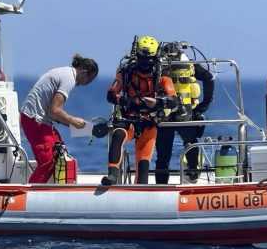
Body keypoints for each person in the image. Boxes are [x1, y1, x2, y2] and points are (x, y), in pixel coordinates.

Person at [102, 35, 176, 186]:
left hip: (149, 122)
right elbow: (111, 95)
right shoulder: (126, 73)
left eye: (148, 59)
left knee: (143, 161)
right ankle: (112, 176)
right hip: (128, 118)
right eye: (142, 58)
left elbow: (174, 100)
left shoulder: (162, 77)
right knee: (117, 135)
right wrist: (125, 101)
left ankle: (141, 188)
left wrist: (157, 102)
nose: (145, 63)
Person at [20, 54, 98, 183]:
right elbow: (55, 110)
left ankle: (55, 188)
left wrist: (86, 128)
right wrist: (73, 120)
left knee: (60, 152)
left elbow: (53, 113)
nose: (86, 84)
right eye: (89, 80)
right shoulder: (70, 79)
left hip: (39, 119)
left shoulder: (65, 72)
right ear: (84, 72)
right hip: (34, 120)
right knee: (48, 162)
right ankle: (33, 193)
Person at [155, 43, 214, 184]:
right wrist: (204, 104)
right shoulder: (189, 65)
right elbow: (209, 78)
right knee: (191, 143)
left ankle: (161, 185)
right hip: (186, 113)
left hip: (165, 115)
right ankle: (193, 173)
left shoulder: (158, 66)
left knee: (163, 155)